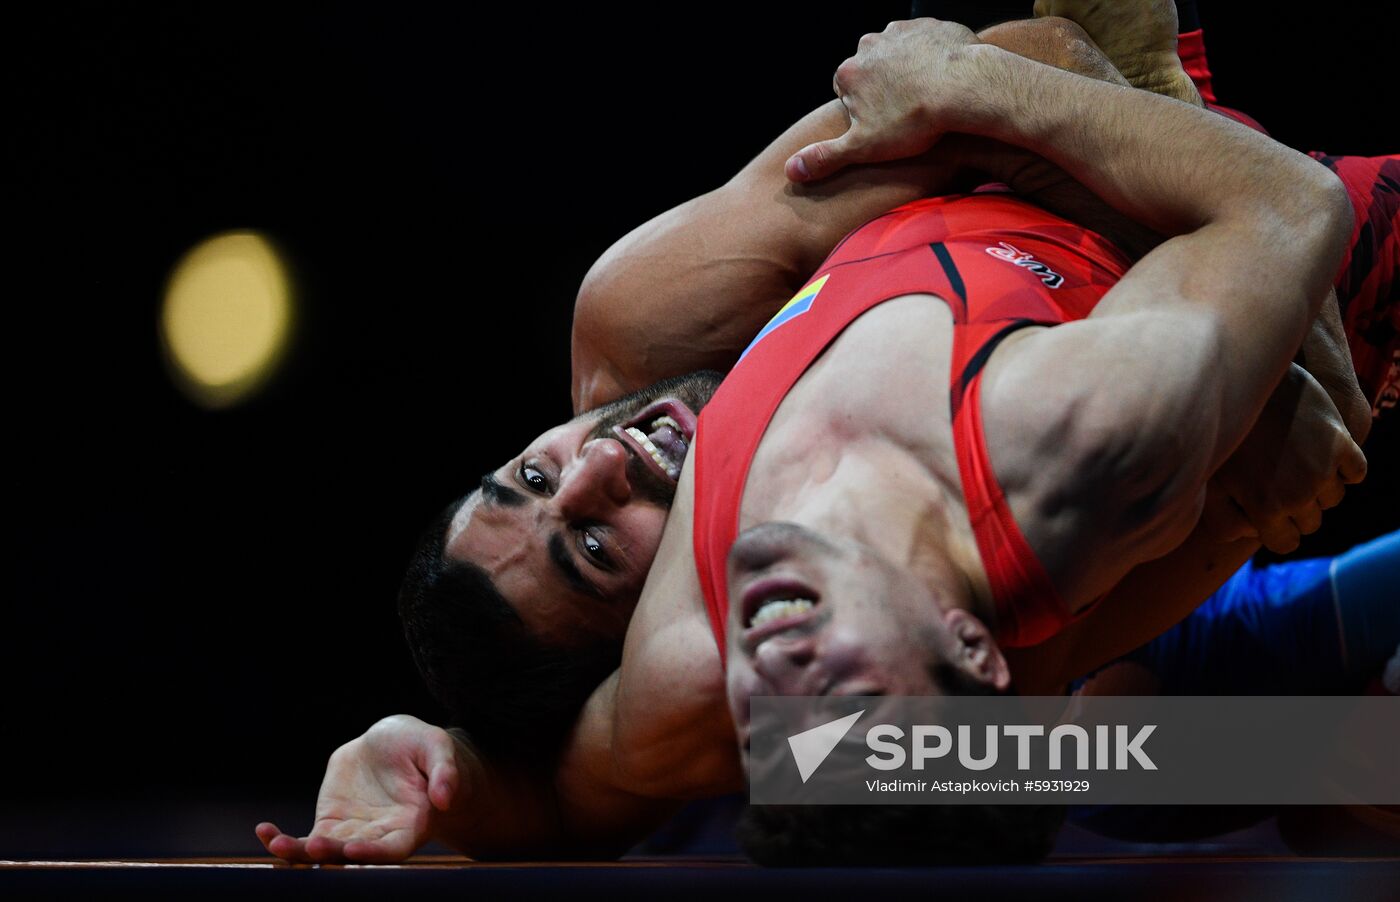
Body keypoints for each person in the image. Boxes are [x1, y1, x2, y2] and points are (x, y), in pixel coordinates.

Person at [259, 7, 1393, 864]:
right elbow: (1271, 206)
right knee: (1178, 758)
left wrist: (436, 765)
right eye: (600, 553)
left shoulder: (642, 326)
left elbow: (1019, 57)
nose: (601, 464)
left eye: (531, 474)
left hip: (1201, 327)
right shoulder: (771, 699)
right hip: (1111, 681)